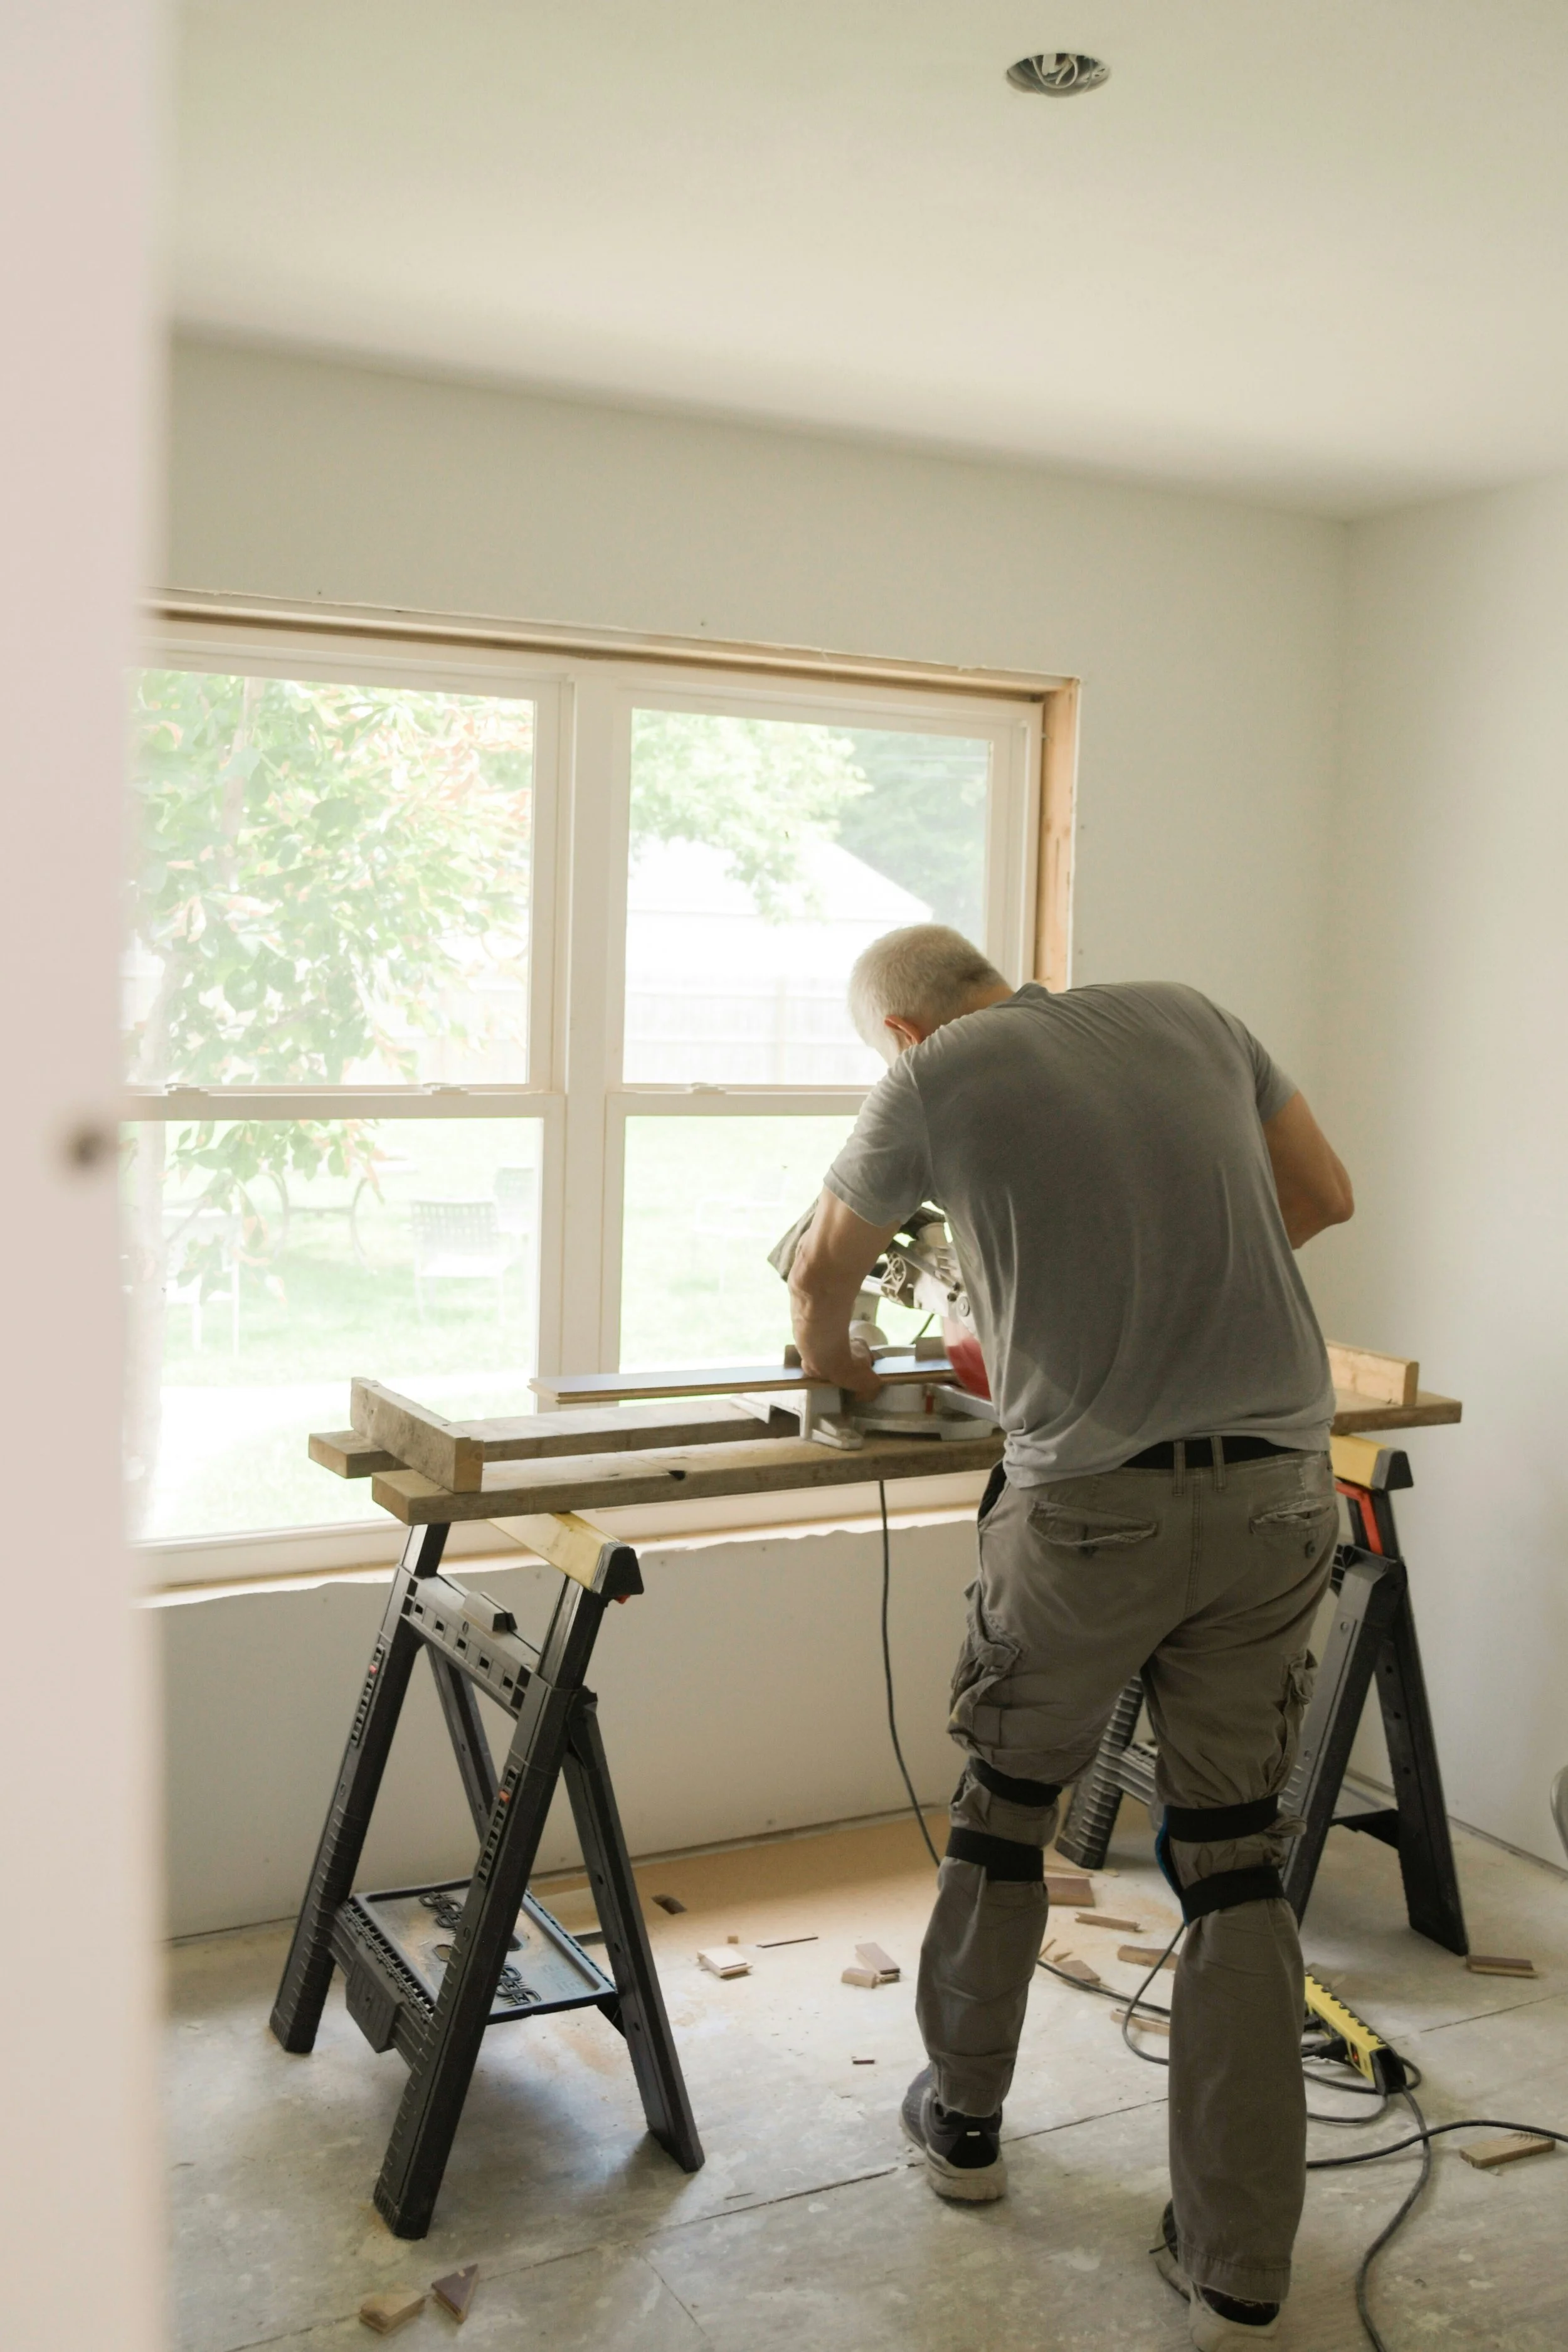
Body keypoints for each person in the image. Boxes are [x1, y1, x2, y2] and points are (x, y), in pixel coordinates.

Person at [787, 924, 1353, 2351]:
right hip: (1282, 1489)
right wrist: (1159, 1281)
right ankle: (1237, 2265)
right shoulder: (1192, 1008)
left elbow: (818, 1284)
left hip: (1089, 1514)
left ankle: (962, 2131)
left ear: (905, 1035)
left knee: (1005, 1810)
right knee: (1231, 1852)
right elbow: (1322, 1197)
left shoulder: (934, 1078)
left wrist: (846, 1384)